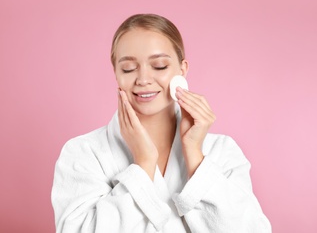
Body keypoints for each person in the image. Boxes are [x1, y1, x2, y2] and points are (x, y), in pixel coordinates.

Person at [51, 13, 271, 232]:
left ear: (182, 70)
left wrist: (195, 157)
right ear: (116, 74)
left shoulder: (221, 151)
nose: (143, 79)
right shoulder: (83, 152)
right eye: (128, 68)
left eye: (159, 66)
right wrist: (143, 164)